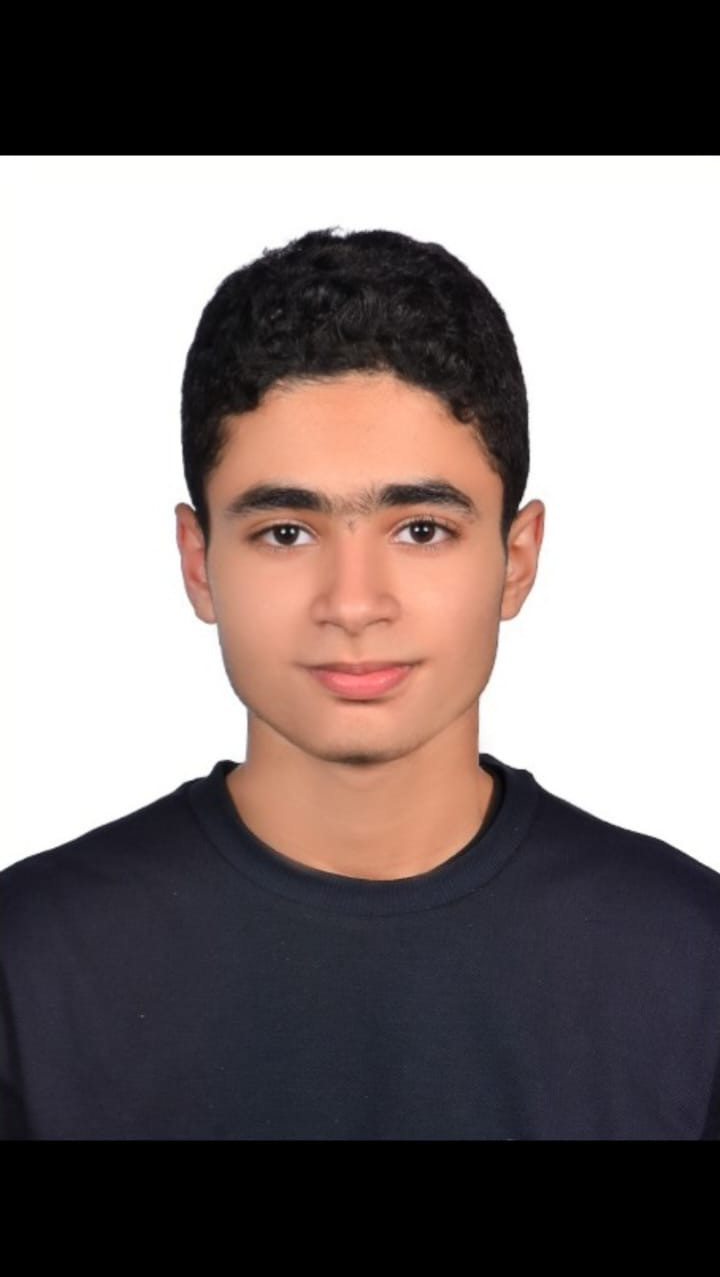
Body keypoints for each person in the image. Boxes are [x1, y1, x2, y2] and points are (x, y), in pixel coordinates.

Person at [2, 225, 719, 1141]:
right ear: (197, 561)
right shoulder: (28, 964)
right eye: (286, 532)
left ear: (516, 559)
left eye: (421, 529)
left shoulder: (692, 963)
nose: (352, 603)